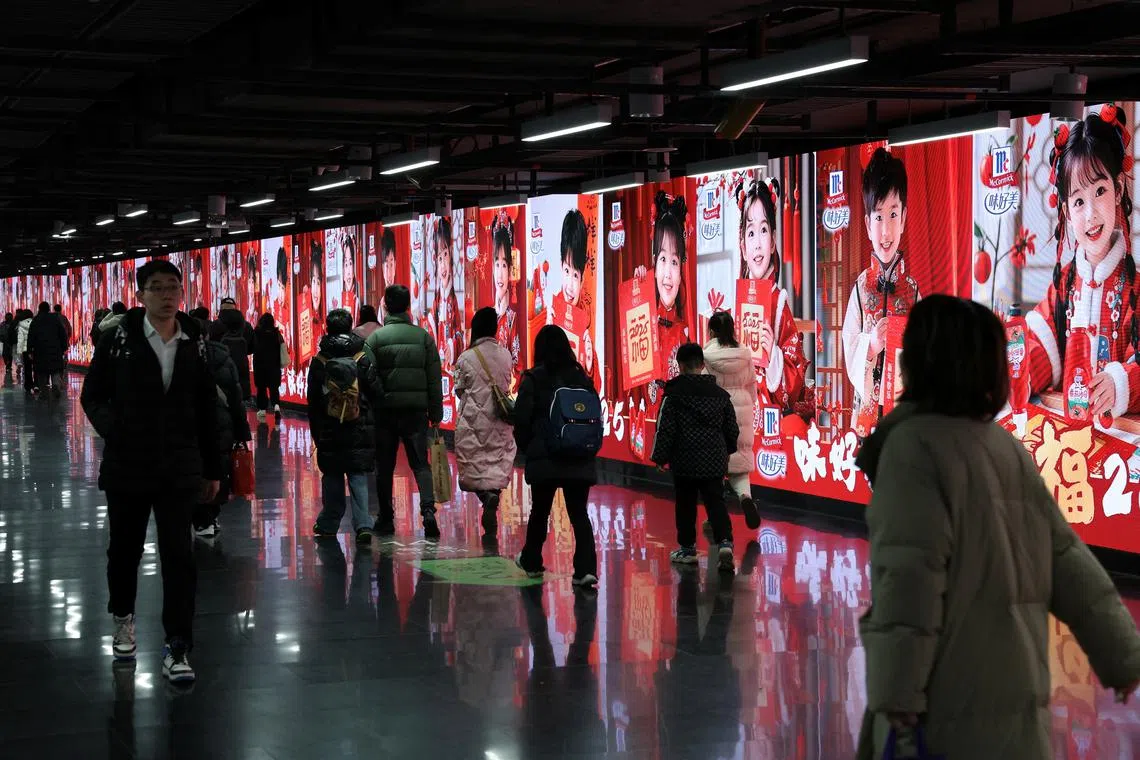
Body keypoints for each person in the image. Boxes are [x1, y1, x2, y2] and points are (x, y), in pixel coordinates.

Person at [853, 294, 1140, 759]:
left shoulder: (911, 448)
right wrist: (1122, 655)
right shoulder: (1004, 449)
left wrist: (896, 697)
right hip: (1017, 711)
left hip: (944, 717)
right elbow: (1068, 562)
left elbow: (908, 586)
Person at [81, 260, 221, 685]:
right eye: (157, 288)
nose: (166, 295)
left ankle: (178, 645)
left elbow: (206, 407)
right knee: (124, 548)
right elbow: (93, 396)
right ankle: (122, 616)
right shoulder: (117, 339)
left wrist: (213, 467)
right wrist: (118, 433)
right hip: (129, 465)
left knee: (179, 555)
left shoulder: (194, 339)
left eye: (173, 287)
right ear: (140, 294)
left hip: (179, 466)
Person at [1026, 107, 1140, 421]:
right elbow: (1037, 344)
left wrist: (1120, 384)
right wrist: (1019, 372)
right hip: (1068, 444)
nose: (1089, 214)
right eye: (1078, 200)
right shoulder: (1062, 287)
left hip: (1124, 450)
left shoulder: (1136, 290)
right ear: (1065, 211)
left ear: (1118, 190)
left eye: (1100, 191)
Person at [841, 147, 922, 438]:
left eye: (892, 214)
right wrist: (871, 345)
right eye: (877, 217)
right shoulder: (860, 290)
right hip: (865, 423)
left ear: (903, 219)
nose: (885, 231)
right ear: (867, 224)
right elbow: (849, 346)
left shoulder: (913, 293)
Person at [513, 324, 599, 588]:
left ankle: (532, 560)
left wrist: (529, 447)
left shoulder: (534, 378)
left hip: (546, 455)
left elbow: (522, 419)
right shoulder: (581, 378)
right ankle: (585, 570)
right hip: (579, 455)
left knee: (540, 511)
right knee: (579, 514)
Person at [363, 284, 444, 539]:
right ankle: (428, 511)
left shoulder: (375, 339)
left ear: (385, 306)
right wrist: (436, 412)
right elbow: (433, 378)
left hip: (385, 412)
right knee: (420, 463)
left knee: (384, 466)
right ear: (408, 306)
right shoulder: (424, 338)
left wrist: (379, 398)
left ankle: (386, 517)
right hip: (416, 412)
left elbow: (367, 375)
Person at [650, 343, 739, 571]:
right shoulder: (720, 396)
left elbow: (665, 428)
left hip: (685, 459)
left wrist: (660, 457)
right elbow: (732, 429)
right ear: (702, 365)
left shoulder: (674, 394)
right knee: (715, 501)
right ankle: (725, 543)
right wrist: (726, 451)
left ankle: (688, 549)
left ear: (679, 366)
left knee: (686, 504)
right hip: (714, 459)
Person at [735, 177, 807, 410]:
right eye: (751, 232)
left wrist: (774, 354)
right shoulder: (737, 306)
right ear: (743, 248)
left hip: (769, 420)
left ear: (773, 241)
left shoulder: (779, 304)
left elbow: (795, 379)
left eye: (763, 230)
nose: (757, 244)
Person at [309, 309, 379, 545]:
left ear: (327, 329)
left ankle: (329, 523)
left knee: (332, 475)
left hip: (329, 427)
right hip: (358, 425)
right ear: (350, 328)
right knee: (357, 475)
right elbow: (374, 391)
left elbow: (313, 401)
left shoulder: (319, 361)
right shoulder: (361, 357)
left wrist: (317, 434)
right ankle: (363, 525)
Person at [454, 307, 517, 537]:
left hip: (472, 419)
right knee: (496, 462)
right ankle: (493, 498)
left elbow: (459, 390)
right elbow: (506, 381)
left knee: (474, 465)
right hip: (500, 419)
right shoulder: (505, 355)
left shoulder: (465, 357)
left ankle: (485, 497)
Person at [192, 316, 251, 538]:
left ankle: (203, 519)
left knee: (198, 469)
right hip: (223, 423)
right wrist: (242, 431)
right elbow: (235, 398)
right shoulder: (223, 356)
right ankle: (212, 514)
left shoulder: (183, 357)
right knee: (220, 468)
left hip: (196, 424)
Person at [703, 311, 761, 528]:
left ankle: (714, 517)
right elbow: (753, 391)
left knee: (714, 469)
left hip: (717, 413)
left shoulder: (707, 355)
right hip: (742, 412)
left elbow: (703, 388)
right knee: (740, 467)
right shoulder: (744, 354)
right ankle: (745, 498)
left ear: (711, 331)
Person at [634, 192, 691, 403]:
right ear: (654, 265)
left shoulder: (687, 333)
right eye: (663, 259)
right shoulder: (642, 325)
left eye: (674, 262)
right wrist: (637, 300)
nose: (668, 273)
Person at [491, 212, 522, 387]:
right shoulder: (488, 314)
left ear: (511, 268)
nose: (500, 273)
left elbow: (519, 365)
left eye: (504, 264)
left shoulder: (513, 318)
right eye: (497, 264)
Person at [211, 297, 255, 402]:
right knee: (240, 406)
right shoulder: (247, 327)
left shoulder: (214, 326)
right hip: (241, 372)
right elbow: (253, 347)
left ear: (221, 309)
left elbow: (210, 348)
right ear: (235, 309)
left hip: (220, 371)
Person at [27, 301, 68, 398]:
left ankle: (44, 390)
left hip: (40, 350)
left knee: (41, 371)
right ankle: (56, 385)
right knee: (55, 370)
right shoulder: (55, 319)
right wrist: (63, 347)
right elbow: (62, 334)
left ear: (39, 309)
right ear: (49, 309)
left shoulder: (36, 320)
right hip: (55, 348)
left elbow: (31, 336)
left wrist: (29, 350)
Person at [252, 312, 285, 423]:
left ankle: (262, 410)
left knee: (261, 389)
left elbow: (252, 347)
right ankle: (276, 406)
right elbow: (283, 346)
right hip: (274, 366)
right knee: (274, 388)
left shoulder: (256, 332)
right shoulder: (276, 333)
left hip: (260, 366)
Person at [15, 308, 33, 394]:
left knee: (27, 367)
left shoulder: (21, 325)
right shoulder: (35, 323)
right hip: (35, 348)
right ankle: (36, 385)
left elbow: (20, 339)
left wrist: (19, 351)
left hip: (25, 350)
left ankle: (28, 385)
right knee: (36, 366)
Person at [0, 312, 13, 378]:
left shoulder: (13, 324)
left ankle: (9, 365)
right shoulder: (2, 324)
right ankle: (7, 364)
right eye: (7, 317)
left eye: (9, 317)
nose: (8, 318)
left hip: (11, 342)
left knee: (10, 354)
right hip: (5, 342)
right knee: (4, 354)